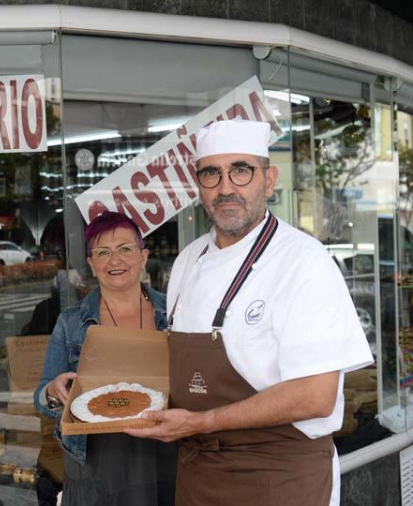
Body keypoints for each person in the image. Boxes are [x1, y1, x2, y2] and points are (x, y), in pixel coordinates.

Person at [126, 120, 373, 506]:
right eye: (211, 173)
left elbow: (315, 397)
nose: (226, 187)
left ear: (269, 180)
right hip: (198, 475)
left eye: (241, 170)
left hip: (279, 478)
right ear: (199, 186)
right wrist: (99, 386)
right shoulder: (189, 261)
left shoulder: (304, 261)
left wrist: (203, 421)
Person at [34, 211, 177, 505]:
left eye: (125, 249)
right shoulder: (70, 322)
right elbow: (42, 395)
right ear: (91, 263)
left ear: (143, 256)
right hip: (95, 461)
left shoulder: (176, 312)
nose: (115, 261)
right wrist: (53, 392)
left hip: (164, 453)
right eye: (103, 252)